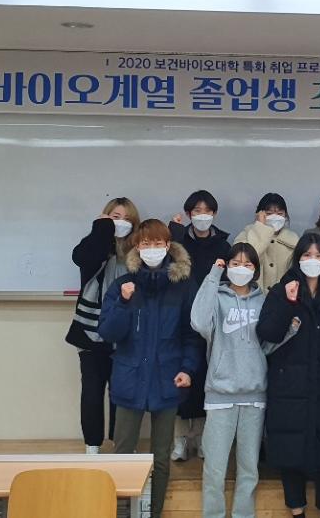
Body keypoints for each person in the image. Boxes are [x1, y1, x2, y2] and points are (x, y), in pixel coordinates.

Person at [98, 219, 202, 518]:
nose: (152, 249)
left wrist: (188, 369)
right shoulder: (122, 284)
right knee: (122, 454)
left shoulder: (183, 286)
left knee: (161, 458)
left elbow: (192, 335)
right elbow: (108, 332)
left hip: (167, 379)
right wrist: (123, 302)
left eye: (158, 243)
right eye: (146, 244)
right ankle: (121, 513)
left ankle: (153, 513)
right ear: (137, 247)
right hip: (129, 379)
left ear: (168, 246)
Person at [191, 243, 298, 518]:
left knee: (249, 468)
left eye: (248, 264)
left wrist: (290, 331)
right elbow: (199, 323)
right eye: (235, 263)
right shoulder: (217, 296)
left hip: (254, 395)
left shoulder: (264, 300)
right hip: (220, 395)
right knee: (214, 468)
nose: (241, 268)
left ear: (256, 269)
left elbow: (266, 346)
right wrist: (213, 276)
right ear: (227, 266)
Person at [257, 233, 320, 518]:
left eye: (319, 255)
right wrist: (288, 303)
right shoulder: (281, 291)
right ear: (297, 259)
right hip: (288, 388)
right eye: (307, 255)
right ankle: (297, 512)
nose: (313, 261)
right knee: (290, 455)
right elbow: (267, 333)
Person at [66, 196, 141, 454]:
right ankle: (92, 446)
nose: (121, 223)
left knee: (122, 391)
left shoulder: (138, 252)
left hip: (125, 333)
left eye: (127, 219)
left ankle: (121, 443)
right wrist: (102, 229)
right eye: (115, 217)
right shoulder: (95, 245)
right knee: (92, 389)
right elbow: (82, 258)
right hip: (91, 331)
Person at [169, 190, 232, 461]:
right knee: (182, 378)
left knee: (207, 378)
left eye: (207, 211)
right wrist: (173, 235)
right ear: (189, 214)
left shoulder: (224, 245)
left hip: (213, 319)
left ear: (214, 214)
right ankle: (181, 440)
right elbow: (169, 270)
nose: (202, 216)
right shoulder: (178, 241)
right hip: (182, 316)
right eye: (196, 211)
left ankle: (205, 439)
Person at [233, 193, 299, 290]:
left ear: (285, 216)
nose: (275, 217)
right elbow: (246, 259)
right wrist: (261, 228)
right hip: (251, 294)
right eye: (269, 213)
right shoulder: (246, 234)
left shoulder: (294, 240)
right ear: (259, 214)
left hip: (282, 296)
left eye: (280, 214)